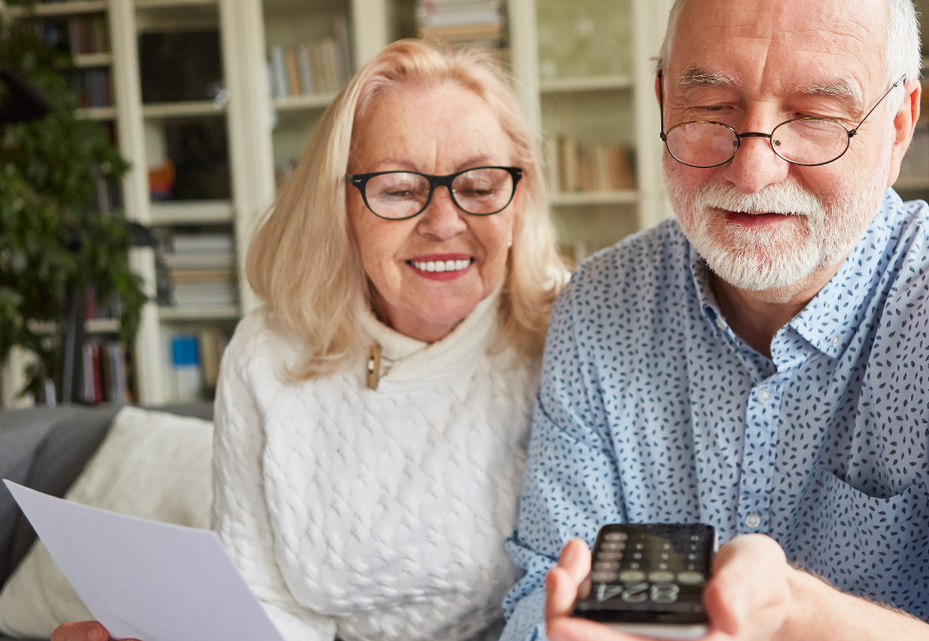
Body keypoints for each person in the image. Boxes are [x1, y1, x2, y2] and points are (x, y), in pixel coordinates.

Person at [501, 1, 929, 640]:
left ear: (898, 128)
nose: (753, 172)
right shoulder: (599, 305)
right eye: (711, 108)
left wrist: (805, 618)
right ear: (664, 103)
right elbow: (541, 587)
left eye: (816, 118)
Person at [51, 39, 566, 641]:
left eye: (478, 186)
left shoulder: (570, 335)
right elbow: (260, 596)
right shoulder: (265, 355)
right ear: (339, 205)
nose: (445, 222)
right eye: (399, 189)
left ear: (519, 199)